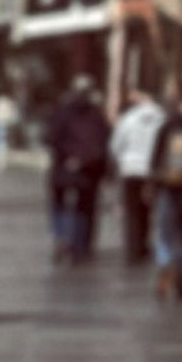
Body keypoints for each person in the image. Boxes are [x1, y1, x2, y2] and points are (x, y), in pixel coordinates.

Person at [45, 75, 112, 263]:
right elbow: (105, 141)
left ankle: (61, 238)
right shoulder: (96, 115)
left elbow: (51, 138)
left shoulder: (62, 112)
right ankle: (78, 244)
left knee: (61, 205)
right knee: (83, 208)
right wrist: (87, 160)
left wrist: (68, 156)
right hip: (87, 170)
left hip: (65, 169)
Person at [150, 87, 182, 299]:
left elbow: (155, 158)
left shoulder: (168, 124)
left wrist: (153, 184)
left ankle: (165, 266)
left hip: (169, 187)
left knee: (166, 232)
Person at [109, 88, 167, 265]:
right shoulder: (163, 118)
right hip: (153, 171)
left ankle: (133, 249)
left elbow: (116, 145)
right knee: (148, 210)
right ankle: (143, 245)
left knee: (132, 211)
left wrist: (120, 162)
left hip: (131, 169)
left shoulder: (129, 119)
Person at [0, 90, 21, 172]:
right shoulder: (9, 102)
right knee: (1, 144)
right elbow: (13, 115)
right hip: (4, 124)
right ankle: (0, 162)